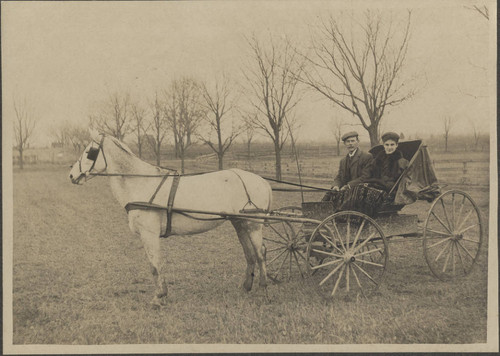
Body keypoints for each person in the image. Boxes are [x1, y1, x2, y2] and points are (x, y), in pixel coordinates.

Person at [322, 131, 373, 201]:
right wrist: (336, 185)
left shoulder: (366, 157)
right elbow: (339, 176)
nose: (350, 144)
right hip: (345, 192)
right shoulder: (343, 161)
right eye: (348, 141)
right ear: (345, 144)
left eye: (353, 141)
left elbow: (366, 177)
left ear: (358, 141)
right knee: (328, 196)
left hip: (359, 192)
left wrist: (348, 186)